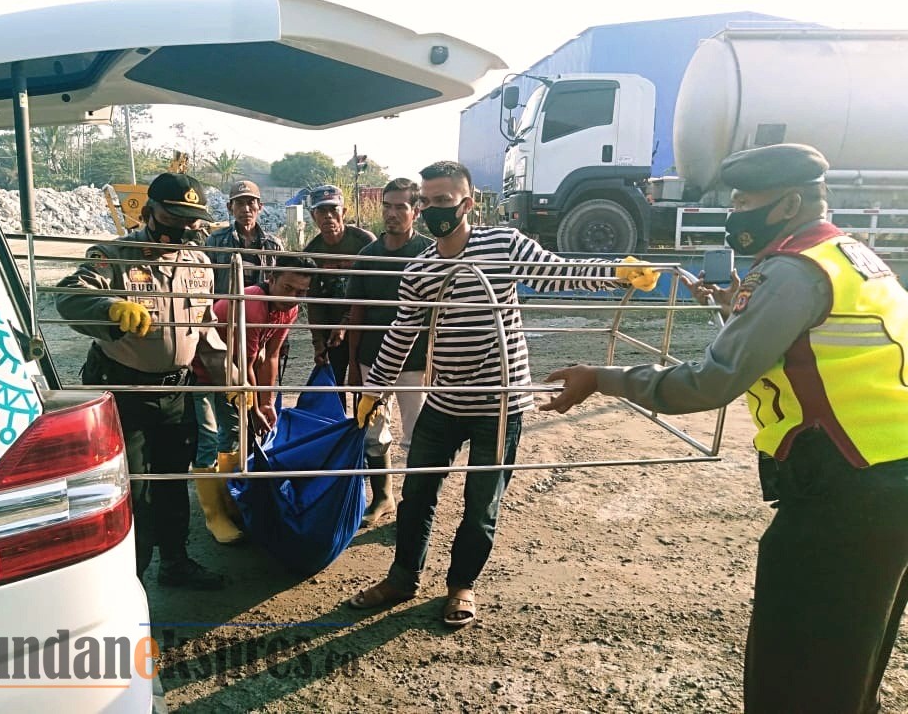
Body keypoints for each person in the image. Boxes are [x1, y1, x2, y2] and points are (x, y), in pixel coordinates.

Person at [540, 143, 908, 714]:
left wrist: (602, 377)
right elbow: (801, 349)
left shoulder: (794, 272)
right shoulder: (851, 255)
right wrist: (729, 311)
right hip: (889, 481)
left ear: (787, 204)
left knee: (795, 676)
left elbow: (711, 382)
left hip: (845, 493)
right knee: (849, 664)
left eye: (745, 200)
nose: (734, 212)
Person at [348, 160, 656, 627]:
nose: (433, 211)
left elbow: (556, 273)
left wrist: (616, 270)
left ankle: (461, 586)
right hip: (445, 400)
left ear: (467, 204)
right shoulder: (422, 267)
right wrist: (374, 391)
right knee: (417, 496)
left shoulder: (502, 244)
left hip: (499, 405)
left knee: (481, 504)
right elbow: (402, 330)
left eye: (443, 202)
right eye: (426, 203)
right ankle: (402, 577)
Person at [55, 172, 226, 589]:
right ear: (151, 210)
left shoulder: (199, 264)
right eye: (175, 216)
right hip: (125, 389)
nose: (185, 228)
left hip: (177, 391)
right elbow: (68, 293)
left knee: (172, 479)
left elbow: (205, 331)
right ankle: (127, 577)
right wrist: (109, 305)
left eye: (192, 220)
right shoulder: (115, 255)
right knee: (130, 486)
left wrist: (234, 383)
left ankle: (174, 561)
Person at [190, 255, 317, 544]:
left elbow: (270, 356)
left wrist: (266, 402)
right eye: (288, 287)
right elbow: (242, 359)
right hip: (204, 370)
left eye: (301, 292)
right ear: (270, 279)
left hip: (234, 372)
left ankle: (230, 497)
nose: (294, 297)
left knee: (234, 434)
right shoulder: (253, 304)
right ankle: (214, 515)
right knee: (209, 436)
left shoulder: (290, 309)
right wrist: (252, 405)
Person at [346, 178, 433, 527]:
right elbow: (357, 312)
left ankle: (414, 505)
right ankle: (383, 495)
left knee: (419, 435)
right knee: (373, 428)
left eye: (401, 207)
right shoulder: (368, 256)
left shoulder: (429, 253)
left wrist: (436, 361)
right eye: (387, 205)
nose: (392, 214)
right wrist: (353, 365)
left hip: (415, 361)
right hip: (372, 359)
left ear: (416, 210)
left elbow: (441, 313)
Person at [195, 179, 285, 500]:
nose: (246, 208)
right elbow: (204, 286)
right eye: (240, 203)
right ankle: (226, 490)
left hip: (262, 335)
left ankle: (250, 472)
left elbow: (281, 292)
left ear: (260, 207)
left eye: (252, 203)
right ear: (230, 207)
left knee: (260, 403)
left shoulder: (273, 246)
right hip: (224, 335)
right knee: (231, 412)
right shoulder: (216, 241)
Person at [302, 184, 375, 406]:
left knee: (364, 384)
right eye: (321, 211)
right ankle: (340, 433)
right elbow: (313, 302)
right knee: (333, 384)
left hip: (364, 324)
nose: (328, 217)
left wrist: (345, 323)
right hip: (330, 328)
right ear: (313, 216)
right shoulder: (311, 253)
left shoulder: (364, 243)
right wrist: (318, 342)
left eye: (333, 210)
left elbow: (370, 292)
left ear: (344, 212)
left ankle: (365, 435)